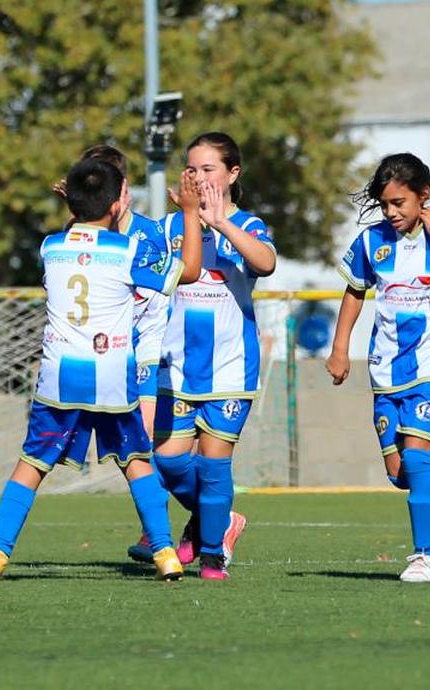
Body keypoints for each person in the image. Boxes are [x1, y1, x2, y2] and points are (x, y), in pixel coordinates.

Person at [0, 158, 202, 582]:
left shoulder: (50, 248)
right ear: (118, 205)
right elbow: (187, 272)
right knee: (136, 462)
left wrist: (77, 211)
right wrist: (189, 212)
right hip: (112, 378)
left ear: (71, 202)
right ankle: (166, 554)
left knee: (31, 465)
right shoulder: (128, 251)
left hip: (59, 377)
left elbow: (80, 247)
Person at [325, 153, 430, 583]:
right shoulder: (371, 242)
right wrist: (340, 349)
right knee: (400, 474)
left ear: (423, 196)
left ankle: (427, 557)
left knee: (414, 459)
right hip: (387, 371)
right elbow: (355, 292)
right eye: (385, 204)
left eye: (399, 203)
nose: (391, 212)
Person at [153, 132, 275, 580]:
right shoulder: (170, 227)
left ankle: (211, 555)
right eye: (192, 169)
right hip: (177, 367)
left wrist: (220, 222)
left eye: (209, 169)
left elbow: (265, 263)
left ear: (232, 174)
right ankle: (218, 520)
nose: (199, 177)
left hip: (230, 367)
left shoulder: (248, 225)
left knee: (214, 463)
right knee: (166, 460)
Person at [53, 145, 177, 563]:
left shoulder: (149, 234)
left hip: (145, 352)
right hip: (108, 358)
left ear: (121, 188)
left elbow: (167, 288)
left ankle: (194, 522)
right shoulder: (83, 233)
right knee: (142, 453)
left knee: (141, 448)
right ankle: (171, 529)